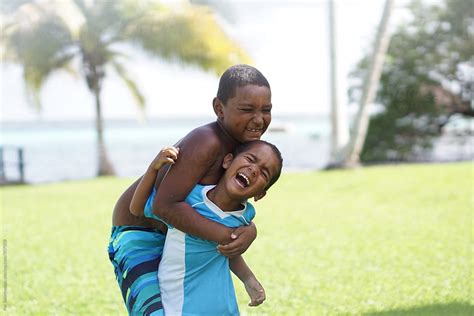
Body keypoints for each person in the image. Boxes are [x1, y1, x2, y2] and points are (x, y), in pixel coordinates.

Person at [108, 64, 272, 314]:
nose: (259, 119)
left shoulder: (243, 151)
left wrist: (250, 230)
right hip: (139, 232)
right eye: (247, 109)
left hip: (179, 238)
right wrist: (229, 237)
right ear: (219, 108)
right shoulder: (206, 142)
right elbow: (164, 206)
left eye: (266, 110)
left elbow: (225, 210)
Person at [131, 140, 283, 315]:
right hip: (179, 302)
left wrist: (249, 279)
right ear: (227, 161)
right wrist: (153, 168)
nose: (254, 169)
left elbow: (228, 251)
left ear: (260, 194)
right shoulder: (187, 199)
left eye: (264, 173)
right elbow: (137, 208)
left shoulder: (244, 216)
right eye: (250, 159)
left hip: (223, 305)